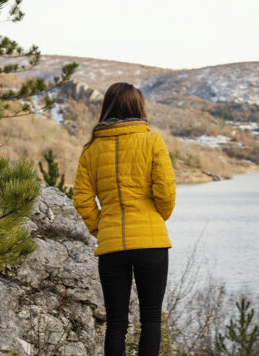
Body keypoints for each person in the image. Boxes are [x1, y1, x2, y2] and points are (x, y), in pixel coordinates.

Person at [73, 82, 176, 356]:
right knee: (151, 319)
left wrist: (102, 228)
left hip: (111, 247)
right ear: (138, 107)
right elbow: (165, 191)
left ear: (107, 107)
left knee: (116, 323)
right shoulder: (152, 141)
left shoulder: (91, 150)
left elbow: (82, 200)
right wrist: (157, 217)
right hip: (151, 243)